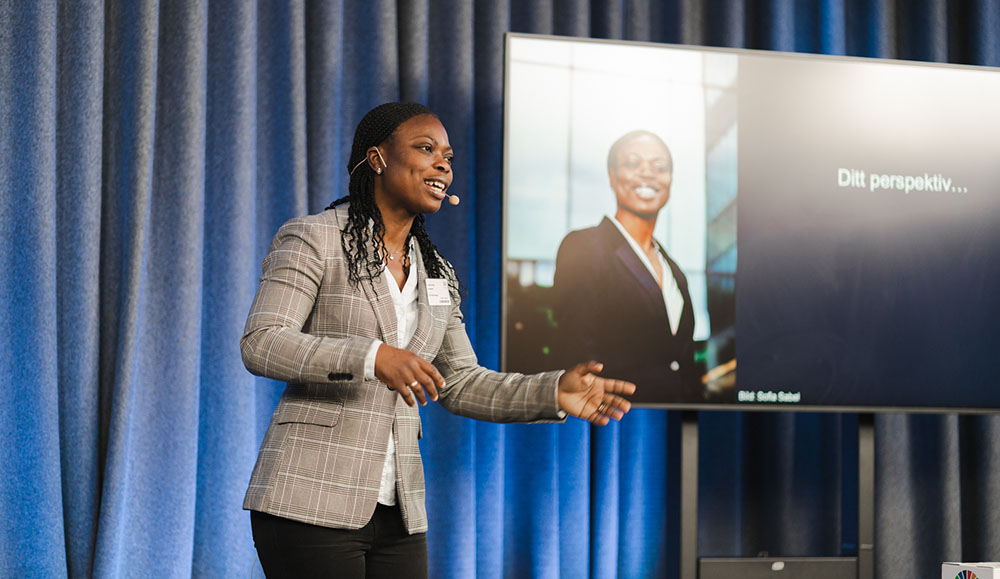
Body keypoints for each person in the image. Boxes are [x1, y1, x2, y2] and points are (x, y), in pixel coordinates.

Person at [240, 102, 635, 578]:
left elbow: (460, 381)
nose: (444, 164)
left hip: (400, 510)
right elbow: (263, 342)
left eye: (448, 155)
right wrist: (372, 357)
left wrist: (551, 391)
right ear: (377, 159)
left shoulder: (437, 274)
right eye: (426, 149)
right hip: (308, 496)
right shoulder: (313, 238)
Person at [552, 130, 699, 404]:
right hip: (614, 422)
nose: (647, 174)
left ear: (670, 180)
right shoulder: (585, 246)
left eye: (659, 167)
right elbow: (576, 349)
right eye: (633, 163)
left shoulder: (674, 271)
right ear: (612, 176)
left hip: (675, 420)